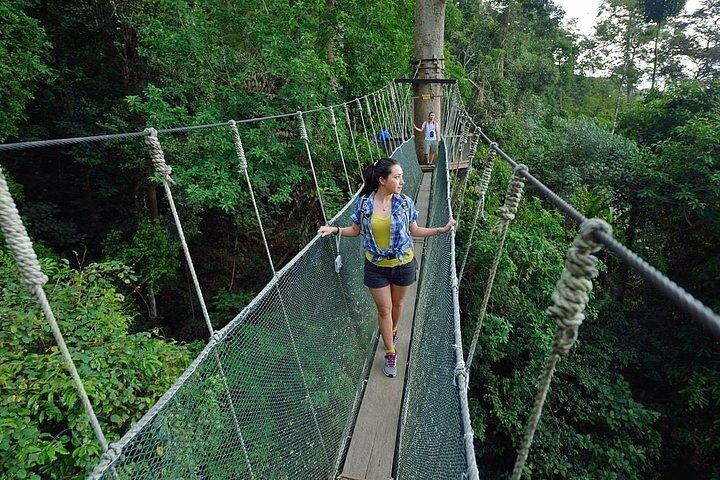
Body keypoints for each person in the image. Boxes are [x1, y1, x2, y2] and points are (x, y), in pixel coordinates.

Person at [318, 158, 456, 377]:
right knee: (384, 309)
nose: (401, 181)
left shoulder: (405, 203)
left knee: (397, 304)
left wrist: (441, 230)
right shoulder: (363, 203)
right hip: (375, 266)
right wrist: (335, 230)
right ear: (382, 180)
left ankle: (391, 330)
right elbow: (355, 230)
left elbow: (415, 230)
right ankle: (390, 351)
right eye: (397, 177)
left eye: (401, 176)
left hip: (403, 263)